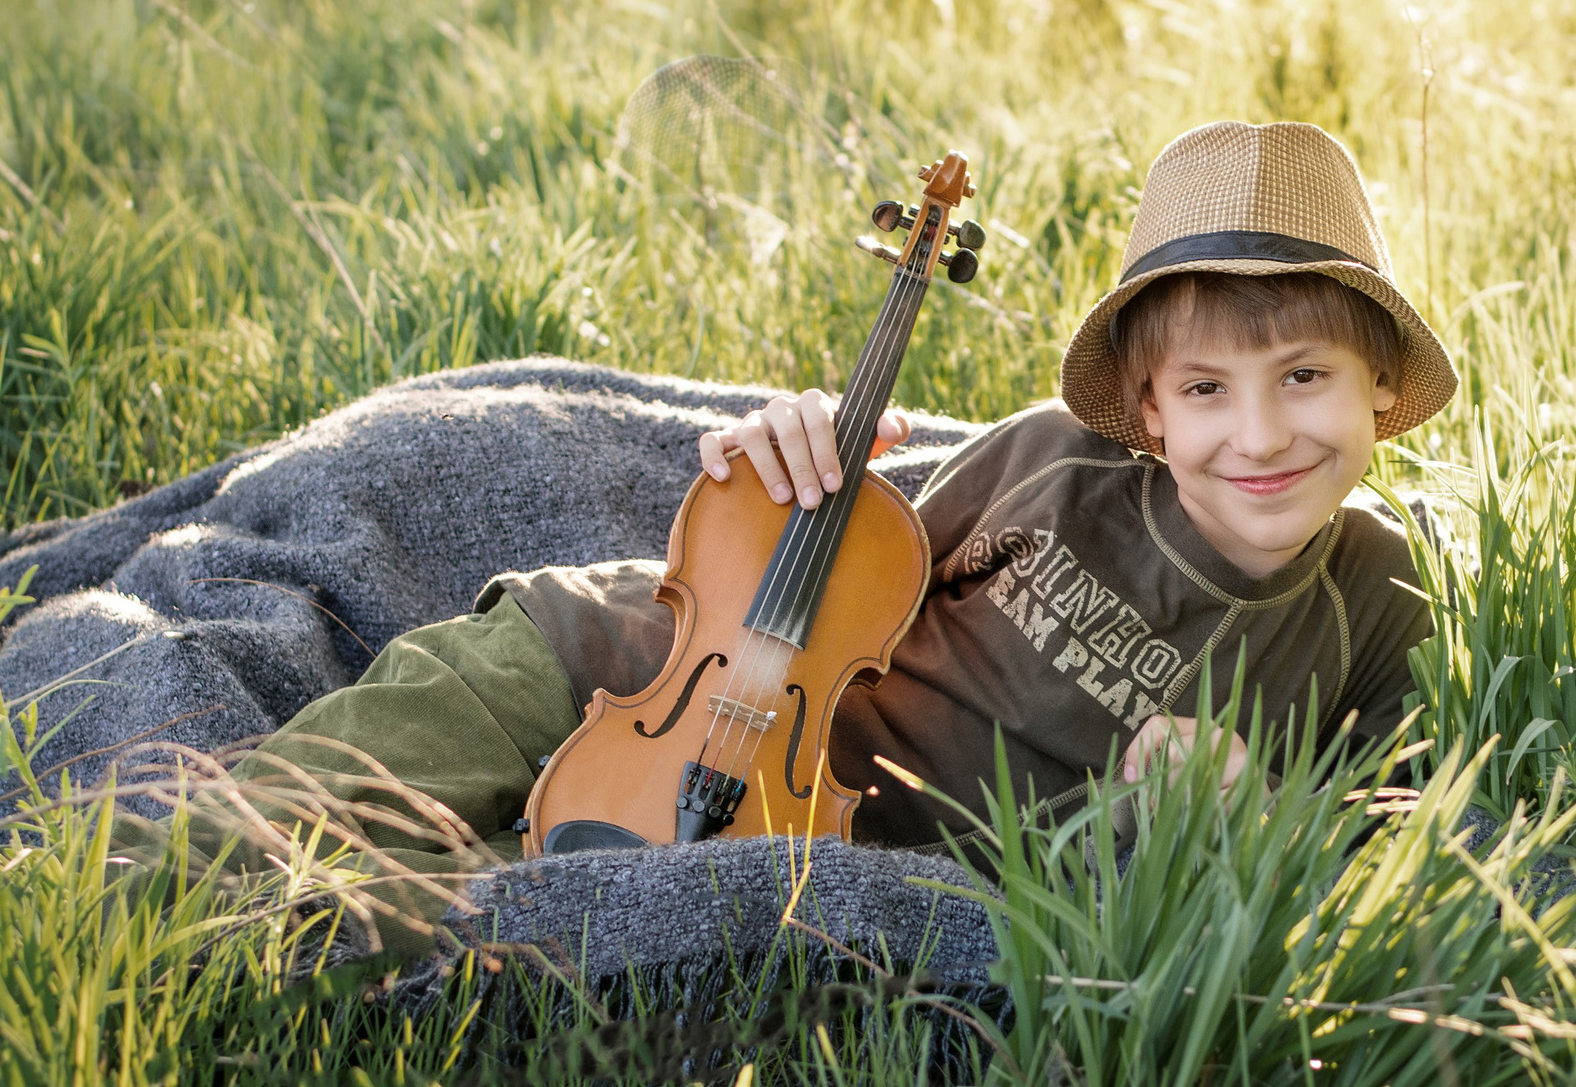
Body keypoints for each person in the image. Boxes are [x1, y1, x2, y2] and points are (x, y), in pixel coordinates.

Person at [240, 119, 1457, 875]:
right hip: (637, 676)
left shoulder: (1379, 598)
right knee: (256, 835)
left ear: (1380, 382)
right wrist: (784, 462)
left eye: (1304, 377)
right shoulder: (1053, 462)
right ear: (1148, 409)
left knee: (440, 934)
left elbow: (1377, 842)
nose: (1259, 435)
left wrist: (1242, 811)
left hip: (811, 849)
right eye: (1205, 389)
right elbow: (832, 573)